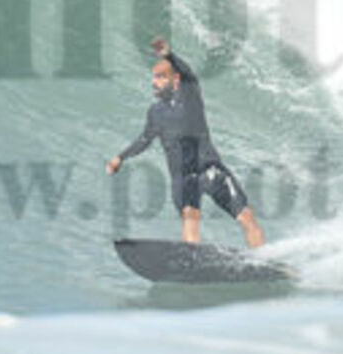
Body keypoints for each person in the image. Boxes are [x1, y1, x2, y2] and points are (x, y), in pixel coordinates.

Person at [107, 36, 266, 248]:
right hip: (183, 178)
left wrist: (169, 55)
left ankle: (261, 257)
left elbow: (190, 76)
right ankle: (193, 258)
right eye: (154, 77)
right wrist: (120, 157)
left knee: (246, 217)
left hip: (211, 169)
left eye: (161, 77)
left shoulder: (190, 99)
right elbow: (145, 139)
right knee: (190, 217)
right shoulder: (155, 112)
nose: (154, 82)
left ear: (176, 80)